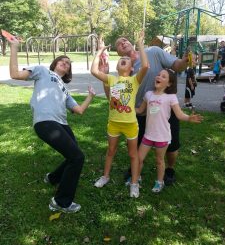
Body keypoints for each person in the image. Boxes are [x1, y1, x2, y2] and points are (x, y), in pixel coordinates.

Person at [8, 36, 96, 213]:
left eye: (68, 62)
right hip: (46, 122)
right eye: (62, 60)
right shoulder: (42, 71)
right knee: (77, 157)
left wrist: (90, 96)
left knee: (74, 155)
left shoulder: (64, 88)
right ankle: (60, 202)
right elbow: (15, 74)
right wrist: (15, 48)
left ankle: (53, 178)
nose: (65, 62)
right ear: (55, 63)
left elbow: (78, 110)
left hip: (62, 124)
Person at [113, 37, 190, 186]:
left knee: (172, 145)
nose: (122, 42)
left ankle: (169, 169)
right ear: (117, 52)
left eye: (124, 39)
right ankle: (136, 169)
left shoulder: (153, 52)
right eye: (118, 44)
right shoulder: (124, 68)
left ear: (131, 42)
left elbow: (176, 65)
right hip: (141, 113)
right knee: (136, 144)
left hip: (165, 110)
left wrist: (185, 61)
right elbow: (116, 93)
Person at [91, 31, 149, 198]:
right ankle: (105, 176)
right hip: (113, 123)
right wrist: (99, 51)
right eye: (121, 60)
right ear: (117, 66)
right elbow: (94, 70)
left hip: (130, 124)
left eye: (127, 61)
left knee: (133, 155)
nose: (124, 61)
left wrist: (140, 44)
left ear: (131, 68)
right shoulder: (111, 79)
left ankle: (134, 182)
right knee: (111, 151)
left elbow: (145, 66)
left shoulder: (134, 80)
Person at [136, 68, 203, 193]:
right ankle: (137, 177)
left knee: (159, 160)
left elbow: (179, 114)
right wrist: (126, 109)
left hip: (162, 136)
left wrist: (189, 118)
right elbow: (140, 110)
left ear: (169, 83)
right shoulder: (148, 94)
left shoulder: (171, 97)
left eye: (163, 76)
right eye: (158, 75)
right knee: (139, 158)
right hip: (148, 135)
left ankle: (159, 182)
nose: (159, 77)